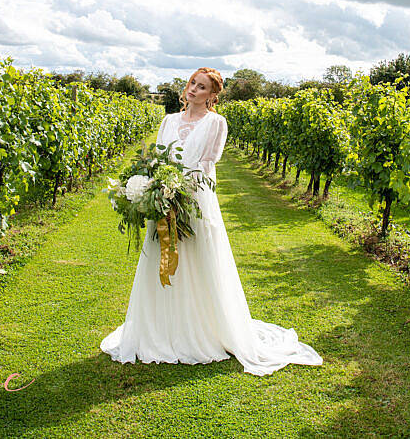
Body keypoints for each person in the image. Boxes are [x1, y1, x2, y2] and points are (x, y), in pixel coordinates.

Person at [100, 67, 323, 376]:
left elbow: (207, 166)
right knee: (160, 259)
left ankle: (200, 330)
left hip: (192, 201)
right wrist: (155, 190)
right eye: (193, 83)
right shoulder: (168, 120)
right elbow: (157, 160)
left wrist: (177, 191)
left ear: (212, 96)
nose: (193, 89)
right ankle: (160, 331)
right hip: (163, 200)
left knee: (196, 260)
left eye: (202, 87)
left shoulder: (217, 123)